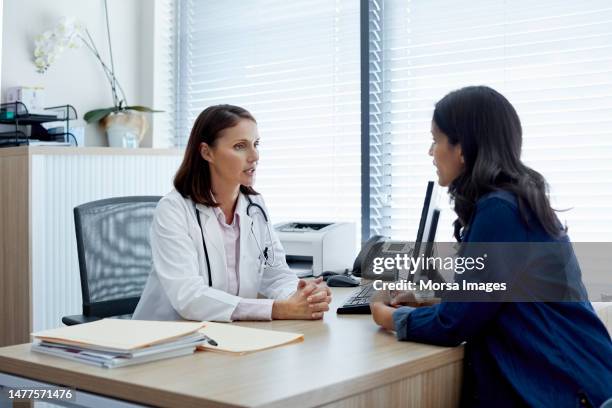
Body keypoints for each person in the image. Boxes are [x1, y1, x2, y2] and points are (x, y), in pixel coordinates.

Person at [370, 86, 612, 407]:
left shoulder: (500, 210)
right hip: (577, 380)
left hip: (564, 390)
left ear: (463, 149)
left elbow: (454, 324)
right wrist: (431, 301)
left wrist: (383, 315)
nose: (431, 152)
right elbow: (493, 298)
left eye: (436, 140)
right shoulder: (515, 200)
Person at [133, 104, 331, 322]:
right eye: (240, 146)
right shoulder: (173, 210)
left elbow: (276, 274)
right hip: (168, 339)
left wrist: (304, 296)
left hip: (230, 335)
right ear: (206, 152)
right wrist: (279, 309)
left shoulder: (254, 206)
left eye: (256, 144)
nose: (254, 155)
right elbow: (189, 297)